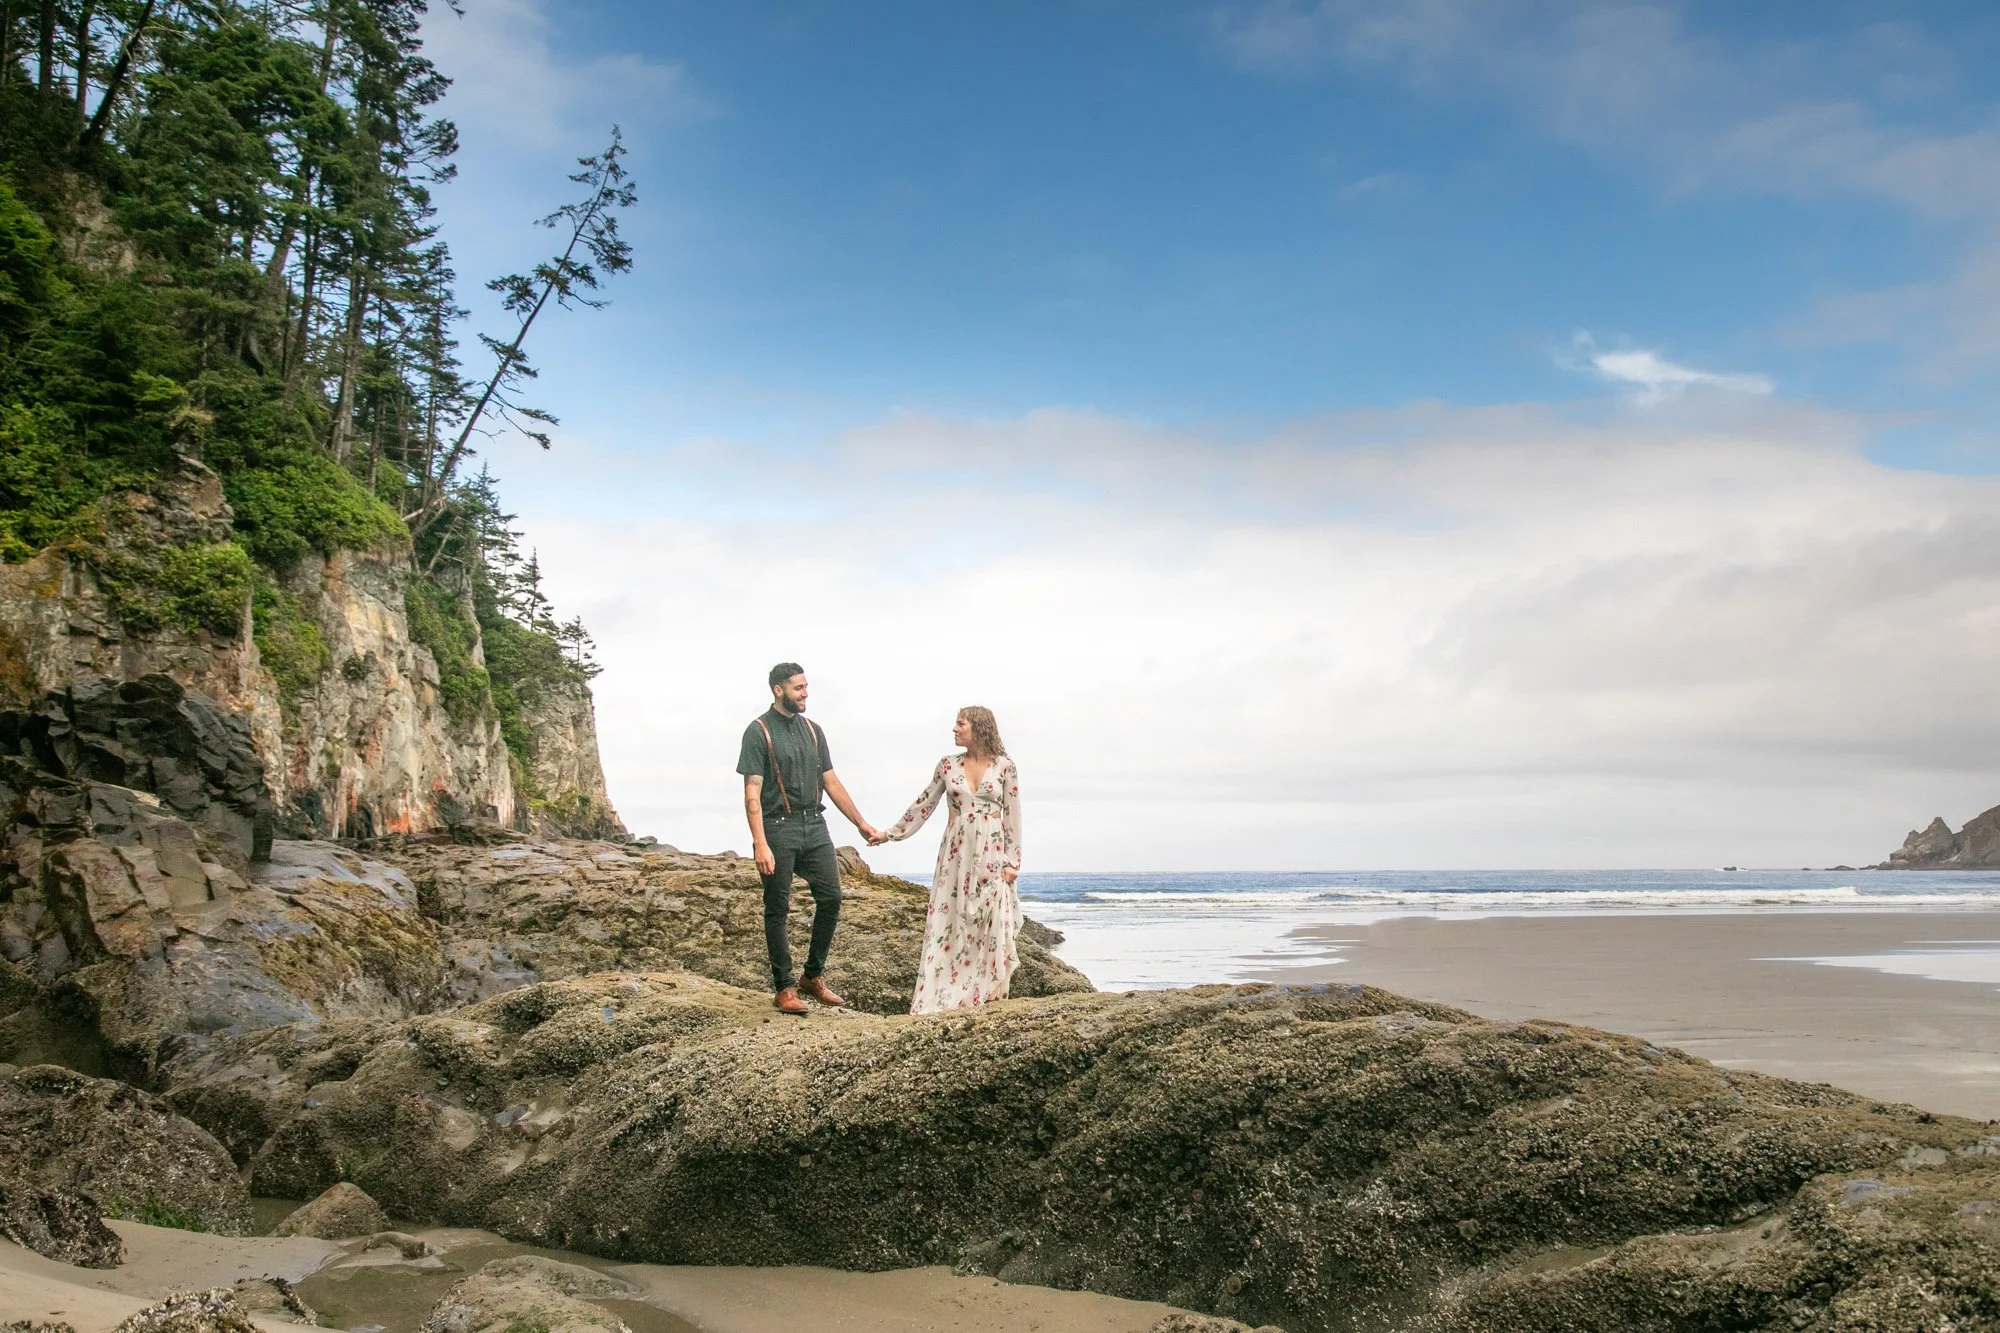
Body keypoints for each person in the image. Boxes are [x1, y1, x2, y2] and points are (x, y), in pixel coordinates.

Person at [738, 662, 882, 1014]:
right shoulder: (758, 731)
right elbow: (751, 792)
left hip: (814, 825)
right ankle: (784, 987)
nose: (805, 694)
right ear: (778, 690)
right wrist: (760, 842)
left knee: (832, 897)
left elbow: (831, 781)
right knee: (778, 906)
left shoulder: (814, 731)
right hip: (777, 827)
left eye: (805, 687)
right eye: (799, 688)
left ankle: (812, 977)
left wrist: (860, 823)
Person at [871, 706, 1022, 1014]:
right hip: (956, 853)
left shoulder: (1005, 766)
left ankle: (987, 990)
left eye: (960, 724)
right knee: (952, 918)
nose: (954, 729)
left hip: (992, 853)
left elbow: (1013, 816)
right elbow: (923, 804)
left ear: (978, 728)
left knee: (990, 918)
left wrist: (1012, 861)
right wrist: (891, 833)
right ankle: (947, 991)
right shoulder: (947, 765)